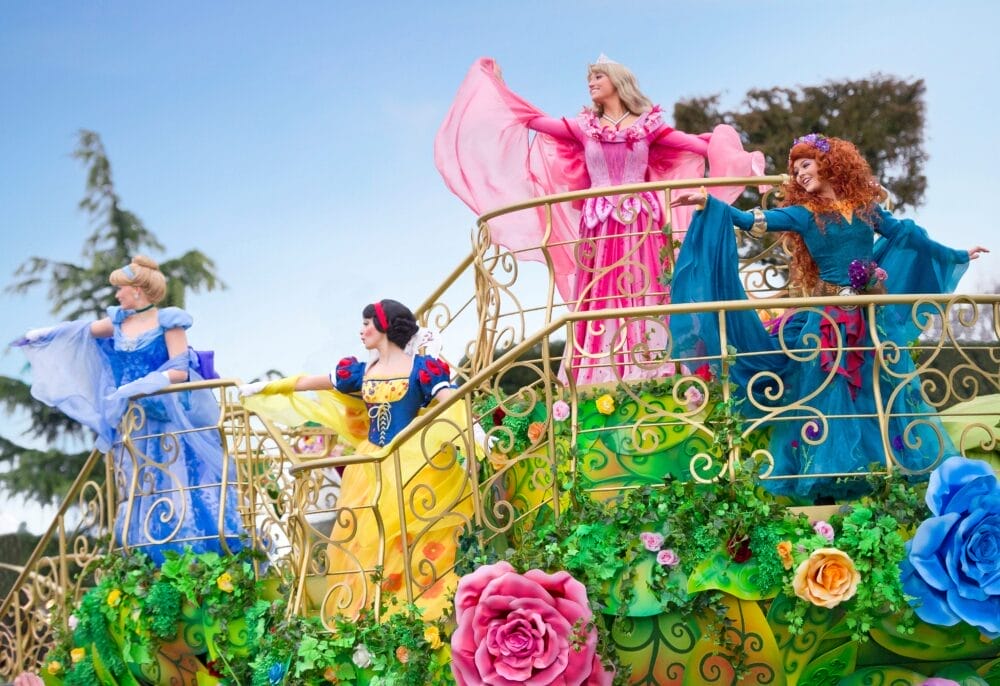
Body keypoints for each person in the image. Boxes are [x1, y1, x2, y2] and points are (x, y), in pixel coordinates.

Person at [669, 135, 988, 500]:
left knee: (884, 390)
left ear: (831, 163)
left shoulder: (866, 208)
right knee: (831, 394)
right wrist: (710, 203)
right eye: (795, 170)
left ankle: (890, 476)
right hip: (828, 322)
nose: (800, 174)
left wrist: (956, 253)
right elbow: (752, 219)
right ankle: (831, 481)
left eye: (806, 165)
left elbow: (908, 236)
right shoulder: (804, 215)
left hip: (872, 318)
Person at [435, 55, 764, 384]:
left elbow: (698, 146)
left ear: (618, 82)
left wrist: (741, 160)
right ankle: (598, 373)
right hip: (599, 222)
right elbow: (532, 120)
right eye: (590, 78)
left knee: (647, 287)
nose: (591, 83)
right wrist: (499, 88)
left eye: (598, 77)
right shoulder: (584, 128)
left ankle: (656, 366)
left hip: (642, 219)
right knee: (599, 293)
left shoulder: (648, 126)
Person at [240, 299, 472, 620]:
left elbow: (453, 402)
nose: (362, 330)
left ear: (386, 326)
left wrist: (478, 435)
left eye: (367, 323)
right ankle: (371, 608)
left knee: (407, 533)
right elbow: (311, 382)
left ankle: (413, 606)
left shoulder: (422, 369)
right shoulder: (361, 372)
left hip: (411, 464)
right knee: (367, 535)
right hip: (368, 466)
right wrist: (267, 387)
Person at [14, 256, 244, 562]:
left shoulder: (169, 321)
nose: (117, 295)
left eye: (120, 289)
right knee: (143, 485)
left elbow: (180, 371)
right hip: (135, 422)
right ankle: (151, 563)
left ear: (137, 289)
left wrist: (147, 383)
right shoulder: (119, 322)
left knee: (180, 481)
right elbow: (81, 332)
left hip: (168, 416)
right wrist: (44, 334)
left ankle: (196, 557)